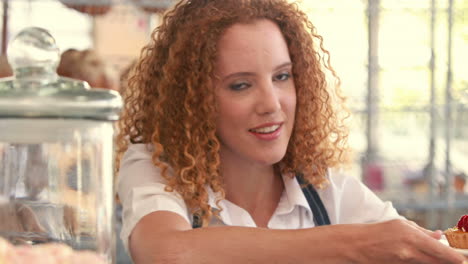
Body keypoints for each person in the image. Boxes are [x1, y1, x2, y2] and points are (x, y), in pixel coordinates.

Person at [115, 0, 466, 263]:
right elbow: (168, 251)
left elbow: (415, 247)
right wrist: (356, 244)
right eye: (240, 85)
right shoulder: (155, 168)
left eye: (282, 76)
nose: (272, 103)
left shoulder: (329, 193)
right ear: (190, 99)